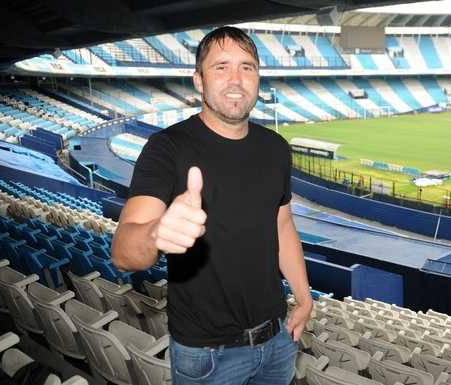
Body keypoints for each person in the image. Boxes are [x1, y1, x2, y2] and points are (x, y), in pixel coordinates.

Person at [110, 26, 312, 385]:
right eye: (221, 67)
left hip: (278, 341)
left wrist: (304, 296)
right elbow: (124, 254)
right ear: (199, 81)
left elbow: (282, 224)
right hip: (208, 356)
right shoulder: (166, 148)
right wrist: (158, 233)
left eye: (247, 67)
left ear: (258, 79)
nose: (236, 79)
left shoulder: (276, 148)